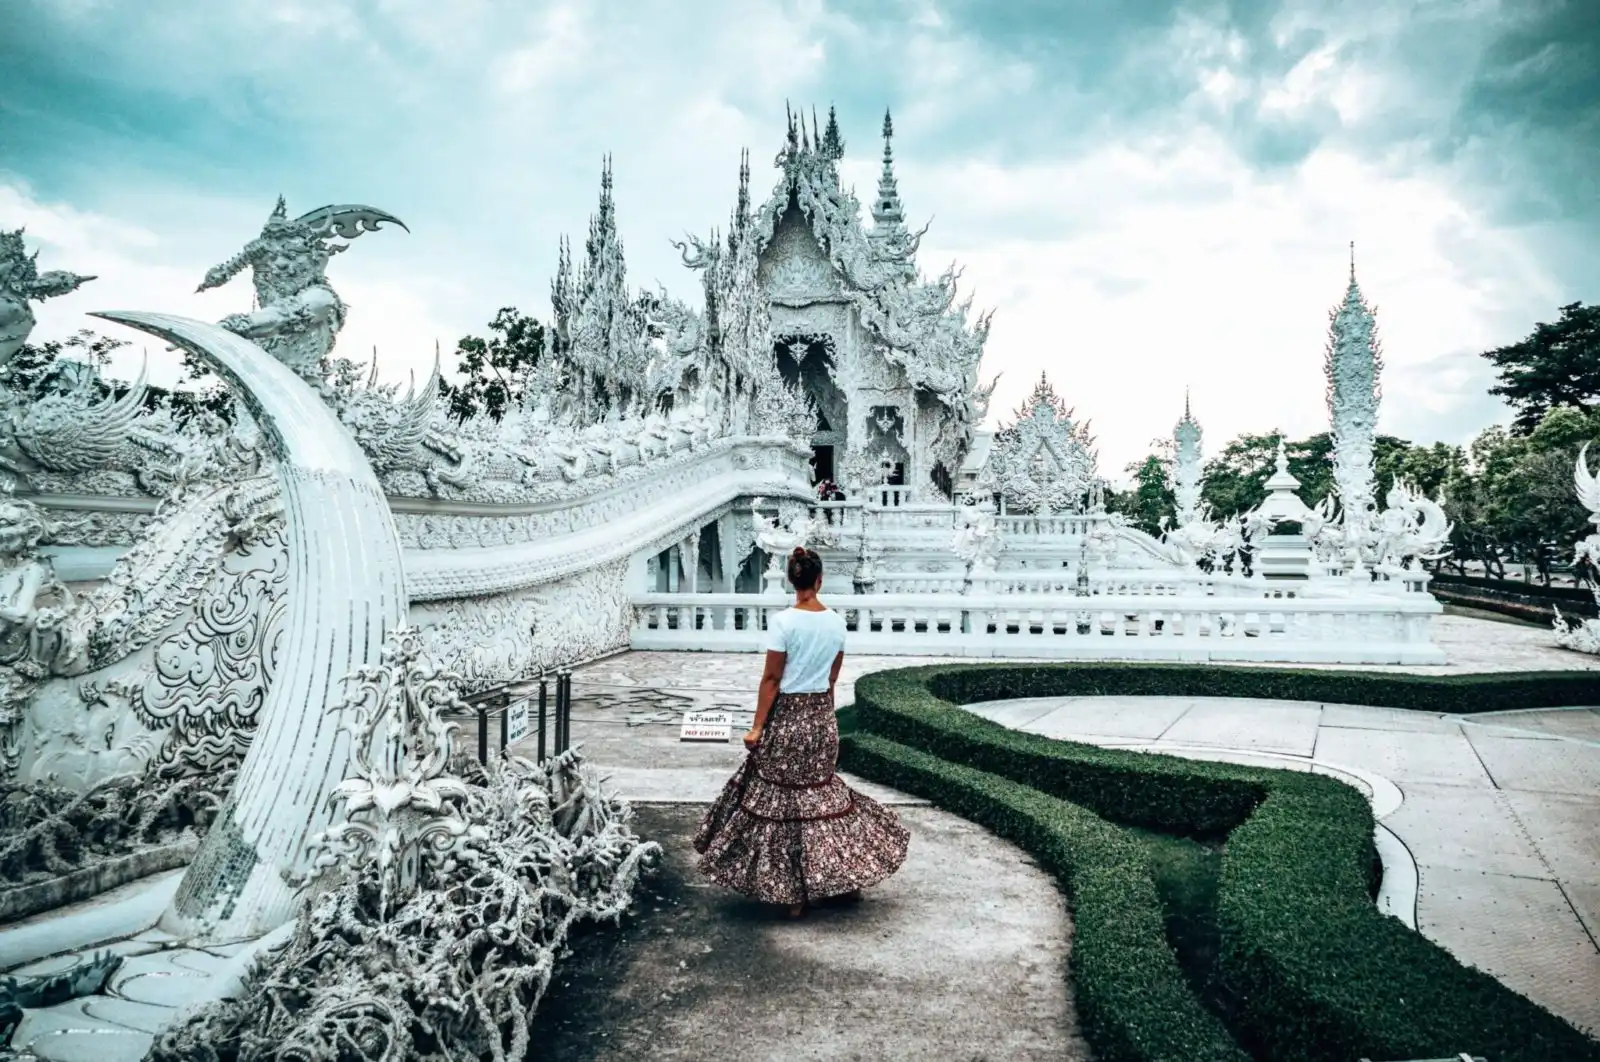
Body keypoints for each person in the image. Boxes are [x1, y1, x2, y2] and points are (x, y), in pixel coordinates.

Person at [693, 546, 910, 918]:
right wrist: (820, 714)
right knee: (821, 796)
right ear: (819, 580)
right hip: (822, 719)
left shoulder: (784, 622)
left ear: (793, 582)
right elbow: (831, 679)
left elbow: (773, 679)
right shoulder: (837, 622)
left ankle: (794, 895)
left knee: (783, 803)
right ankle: (845, 879)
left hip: (788, 719)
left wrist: (758, 725)